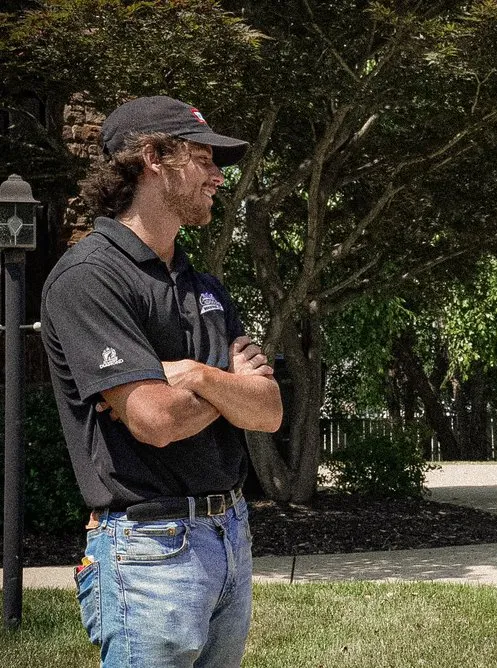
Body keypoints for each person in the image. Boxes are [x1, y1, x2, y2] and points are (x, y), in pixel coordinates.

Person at [41, 95, 283, 667]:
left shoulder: (201, 284)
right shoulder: (90, 278)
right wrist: (230, 385)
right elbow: (155, 420)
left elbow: (270, 410)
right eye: (203, 158)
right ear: (153, 157)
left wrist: (196, 375)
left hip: (230, 533)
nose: (218, 176)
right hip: (148, 550)